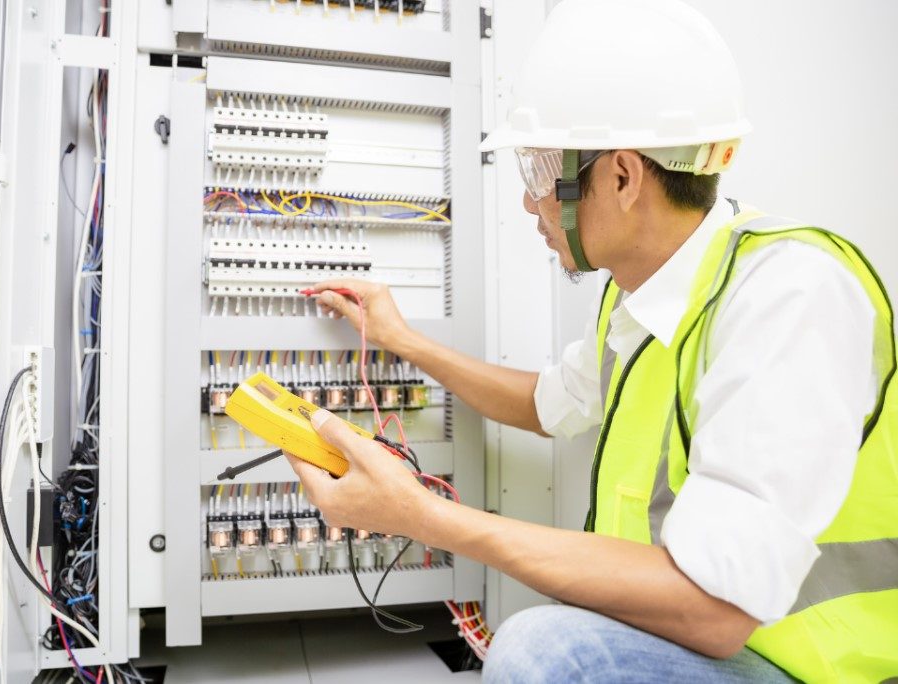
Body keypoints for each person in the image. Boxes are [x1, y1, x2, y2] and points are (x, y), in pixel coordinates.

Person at [286, 0, 898, 681]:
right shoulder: (636, 294)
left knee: (546, 650)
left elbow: (717, 610)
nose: (529, 202)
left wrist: (420, 516)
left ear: (623, 177)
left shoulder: (790, 295)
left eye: (542, 171)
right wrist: (403, 341)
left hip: (808, 667)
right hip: (691, 641)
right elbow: (549, 404)